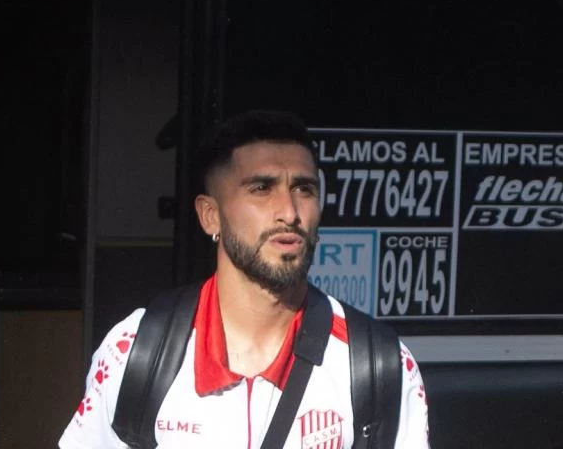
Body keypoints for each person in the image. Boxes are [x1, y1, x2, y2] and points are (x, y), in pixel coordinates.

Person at [59, 110, 430, 448]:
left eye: (304, 188)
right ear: (210, 216)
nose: (289, 212)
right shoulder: (137, 350)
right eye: (261, 188)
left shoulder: (379, 364)